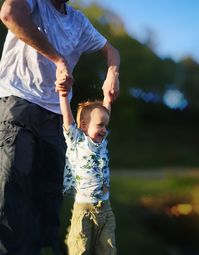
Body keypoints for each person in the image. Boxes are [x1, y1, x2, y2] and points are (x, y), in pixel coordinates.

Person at [0, 0, 120, 254]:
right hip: (18, 102)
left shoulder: (78, 21)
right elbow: (9, 13)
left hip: (54, 114)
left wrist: (113, 72)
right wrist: (58, 59)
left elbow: (112, 50)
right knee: (13, 191)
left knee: (48, 198)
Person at [57, 84, 117, 255]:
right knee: (80, 248)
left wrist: (107, 98)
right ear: (83, 126)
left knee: (107, 249)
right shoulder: (77, 140)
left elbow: (105, 115)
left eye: (106, 126)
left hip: (105, 208)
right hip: (83, 208)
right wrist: (63, 96)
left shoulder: (102, 143)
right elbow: (68, 120)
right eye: (100, 125)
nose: (104, 130)